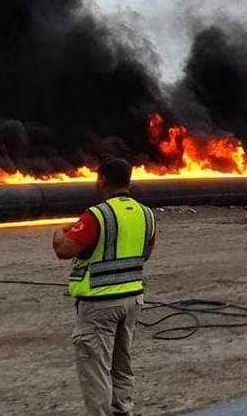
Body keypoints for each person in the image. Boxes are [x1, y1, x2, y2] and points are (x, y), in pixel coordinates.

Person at [52, 158, 156, 416]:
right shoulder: (147, 214)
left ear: (102, 180)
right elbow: (145, 254)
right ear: (129, 180)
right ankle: (122, 410)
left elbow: (64, 250)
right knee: (122, 364)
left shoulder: (97, 215)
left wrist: (59, 231)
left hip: (100, 303)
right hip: (132, 301)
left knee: (95, 368)